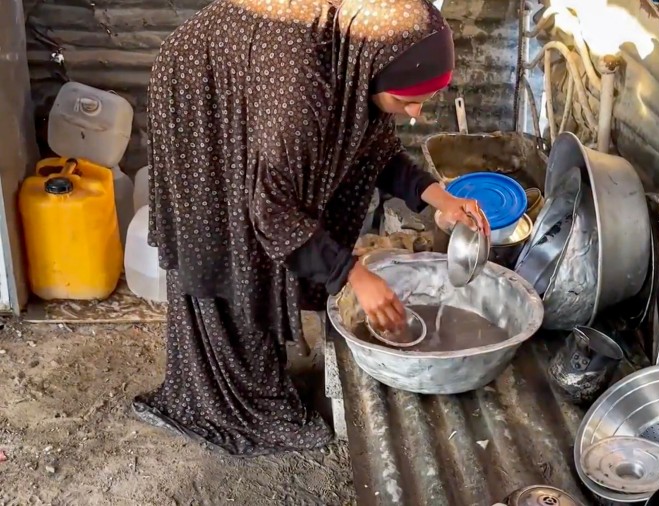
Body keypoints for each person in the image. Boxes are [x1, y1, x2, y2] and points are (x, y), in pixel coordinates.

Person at [133, 0, 489, 457]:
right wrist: (354, 275)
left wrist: (439, 196)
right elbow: (273, 213)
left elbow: (374, 148)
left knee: (257, 232)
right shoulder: (303, 89)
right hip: (199, 88)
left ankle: (252, 372)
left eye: (424, 99)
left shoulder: (354, 57)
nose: (417, 113)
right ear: (372, 71)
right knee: (227, 237)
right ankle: (231, 401)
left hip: (250, 73)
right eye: (408, 100)